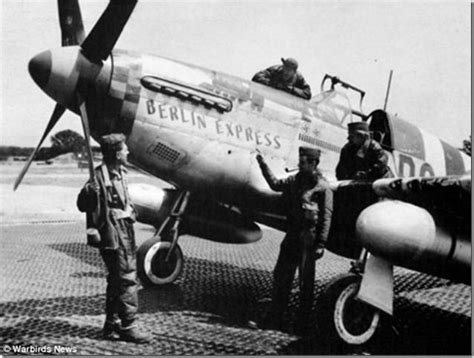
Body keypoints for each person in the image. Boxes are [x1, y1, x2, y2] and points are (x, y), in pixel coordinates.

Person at [77, 133, 151, 344]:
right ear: (118, 154)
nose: (128, 152)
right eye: (125, 150)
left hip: (124, 231)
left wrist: (130, 213)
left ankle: (111, 325)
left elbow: (127, 204)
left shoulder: (119, 173)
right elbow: (83, 205)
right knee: (127, 280)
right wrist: (88, 194)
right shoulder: (98, 177)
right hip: (113, 236)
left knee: (116, 281)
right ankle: (129, 327)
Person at [256, 147, 333, 334]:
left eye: (303, 162)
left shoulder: (322, 186)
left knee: (305, 284)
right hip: (292, 236)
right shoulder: (295, 180)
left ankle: (303, 325)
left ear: (313, 163)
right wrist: (262, 163)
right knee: (281, 277)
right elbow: (275, 184)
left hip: (308, 240)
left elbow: (326, 217)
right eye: (299, 161)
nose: (299, 164)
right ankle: (275, 318)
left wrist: (321, 244)